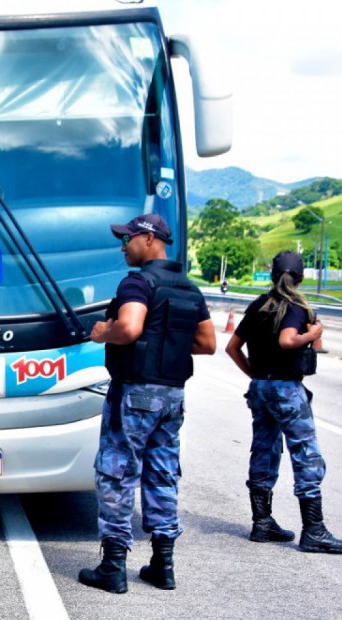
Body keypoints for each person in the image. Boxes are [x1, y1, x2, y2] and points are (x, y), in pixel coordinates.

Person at [78, 213, 216, 594]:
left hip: (136, 392)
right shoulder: (188, 288)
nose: (123, 246)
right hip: (172, 395)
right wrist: (165, 342)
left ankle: (113, 566)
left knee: (117, 473)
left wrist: (104, 332)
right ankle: (162, 563)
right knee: (162, 474)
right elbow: (206, 344)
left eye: (128, 239)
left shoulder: (137, 282)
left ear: (149, 239)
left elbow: (130, 327)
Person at [224, 251, 342, 553]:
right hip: (287, 390)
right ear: (302, 277)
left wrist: (255, 374)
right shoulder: (295, 307)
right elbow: (287, 340)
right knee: (306, 454)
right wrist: (314, 334)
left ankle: (262, 522)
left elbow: (232, 347)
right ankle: (314, 530)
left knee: (264, 450)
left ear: (271, 275)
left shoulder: (258, 305)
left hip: (261, 387)